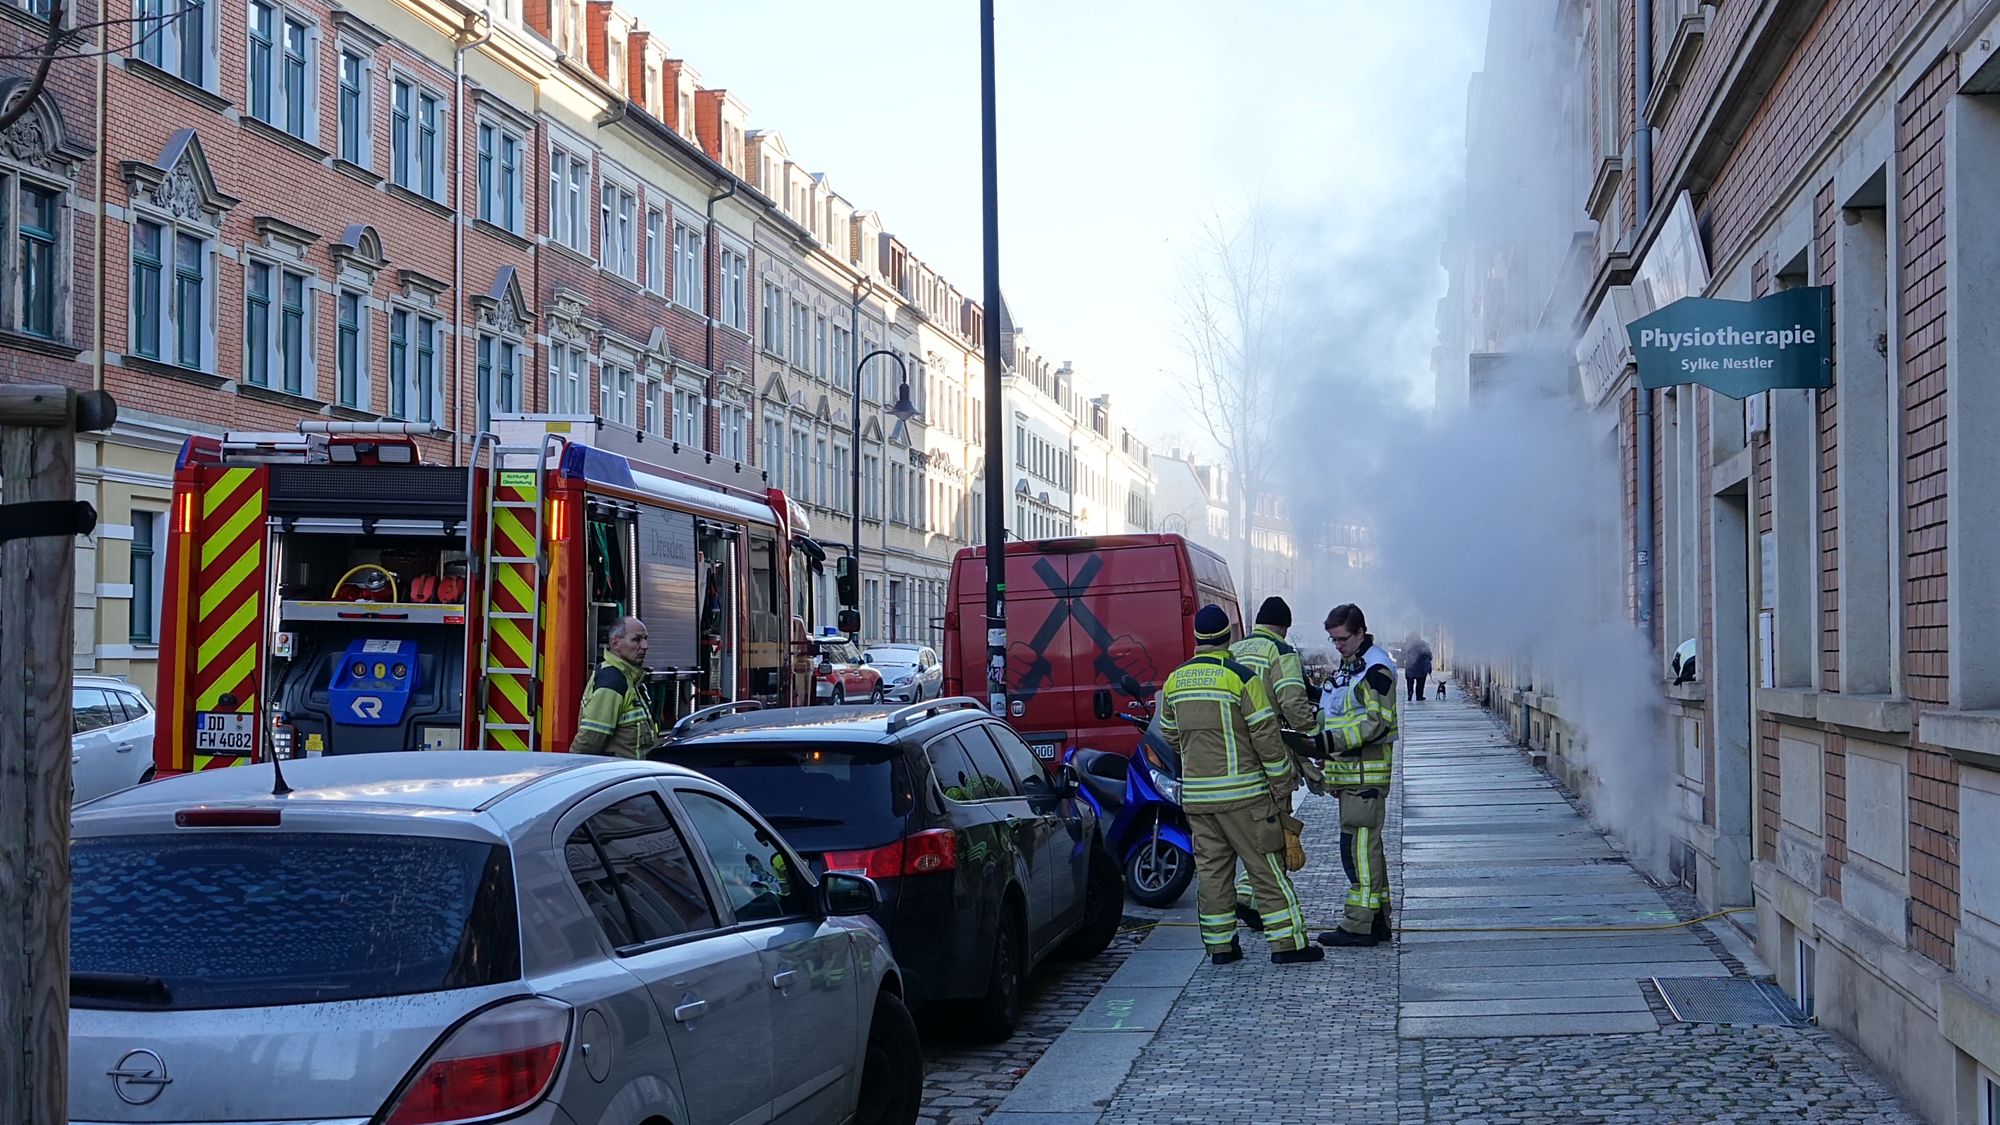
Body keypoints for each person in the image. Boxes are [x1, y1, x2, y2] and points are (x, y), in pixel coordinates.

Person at [1159, 605, 1321, 966]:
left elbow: (1169, 732)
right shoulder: (1241, 678)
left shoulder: (1175, 680)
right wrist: (1282, 783)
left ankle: (1221, 947)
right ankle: (1288, 945)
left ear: (1197, 638)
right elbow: (1266, 737)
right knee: (1267, 869)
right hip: (1245, 797)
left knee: (1213, 874)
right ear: (1229, 635)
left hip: (1198, 799)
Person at [1227, 596, 1323, 929]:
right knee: (1275, 826)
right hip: (1271, 753)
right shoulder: (1281, 654)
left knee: (1252, 829)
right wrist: (1314, 736)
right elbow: (1294, 704)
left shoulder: (1235, 651)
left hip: (1235, 756)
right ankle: (1263, 902)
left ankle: (1247, 896)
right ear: (1284, 627)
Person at [1316, 603, 1399, 947]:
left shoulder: (1375, 669)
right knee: (1365, 851)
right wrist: (1325, 752)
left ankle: (1358, 926)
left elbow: (1375, 723)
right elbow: (1335, 714)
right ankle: (1377, 920)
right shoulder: (1352, 667)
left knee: (1359, 853)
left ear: (1361, 633)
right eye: (1333, 640)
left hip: (1365, 775)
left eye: (1342, 639)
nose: (1337, 646)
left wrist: (1330, 741)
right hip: (1350, 775)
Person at [570, 616, 656, 758]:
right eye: (636, 639)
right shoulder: (612, 682)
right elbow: (589, 743)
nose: (645, 646)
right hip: (622, 776)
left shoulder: (627, 678)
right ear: (615, 643)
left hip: (631, 775)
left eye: (645, 639)